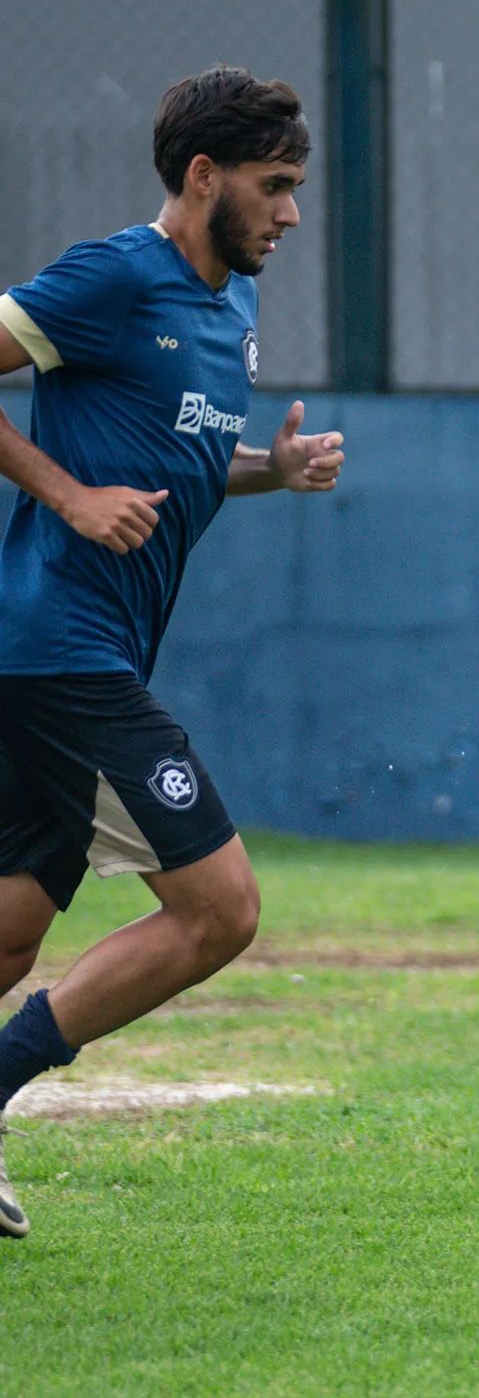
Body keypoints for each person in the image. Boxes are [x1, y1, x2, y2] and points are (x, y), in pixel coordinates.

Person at [0, 68, 345, 1238]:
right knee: (220, 909)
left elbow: (183, 463)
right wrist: (69, 494)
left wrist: (271, 470)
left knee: (9, 930)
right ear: (202, 178)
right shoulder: (113, 275)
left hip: (65, 659)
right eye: (275, 187)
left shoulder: (229, 308)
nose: (291, 214)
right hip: (61, 650)